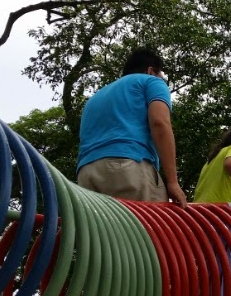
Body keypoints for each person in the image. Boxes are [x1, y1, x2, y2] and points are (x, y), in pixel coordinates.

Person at [76, 47, 187, 205]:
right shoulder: (151, 81)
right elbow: (160, 123)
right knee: (149, 227)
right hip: (128, 165)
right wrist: (173, 182)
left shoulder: (95, 97)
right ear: (151, 70)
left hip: (87, 172)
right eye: (161, 74)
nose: (162, 78)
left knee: (108, 230)